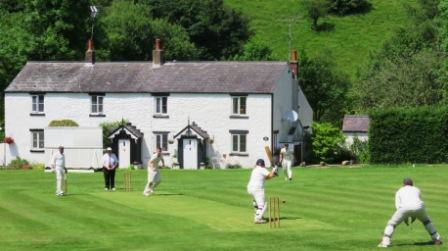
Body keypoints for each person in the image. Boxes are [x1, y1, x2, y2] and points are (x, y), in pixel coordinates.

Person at [378, 178, 442, 248]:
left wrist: (404, 217)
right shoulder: (417, 189)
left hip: (404, 208)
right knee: (427, 221)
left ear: (403, 184)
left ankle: (385, 242)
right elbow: (416, 202)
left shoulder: (399, 191)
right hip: (419, 207)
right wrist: (413, 215)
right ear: (412, 184)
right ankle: (437, 239)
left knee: (392, 223)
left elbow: (398, 206)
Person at [247, 159, 278, 224]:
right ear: (263, 165)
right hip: (257, 189)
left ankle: (259, 215)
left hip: (250, 188)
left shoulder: (255, 170)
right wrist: (274, 170)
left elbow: (266, 177)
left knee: (257, 202)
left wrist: (273, 173)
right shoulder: (262, 169)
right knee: (262, 205)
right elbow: (270, 175)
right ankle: (257, 218)